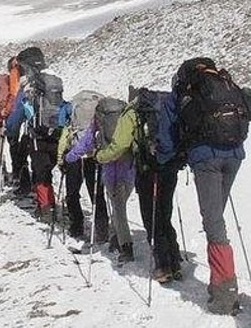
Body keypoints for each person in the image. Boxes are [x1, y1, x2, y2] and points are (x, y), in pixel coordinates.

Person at [173, 57, 250, 316]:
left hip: (207, 157)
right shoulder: (226, 82)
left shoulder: (191, 89)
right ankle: (222, 284)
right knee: (216, 218)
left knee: (213, 222)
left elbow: (184, 126)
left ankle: (225, 290)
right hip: (235, 154)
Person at [64, 101, 135, 263]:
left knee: (118, 210)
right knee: (119, 206)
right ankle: (117, 238)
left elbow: (86, 142)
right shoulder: (125, 117)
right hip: (129, 168)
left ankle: (126, 246)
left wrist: (70, 157)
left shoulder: (99, 120)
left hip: (111, 170)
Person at [130, 87, 184, 283]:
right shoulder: (169, 108)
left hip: (147, 170)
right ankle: (175, 261)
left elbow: (122, 143)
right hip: (169, 167)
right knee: (165, 214)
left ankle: (162, 266)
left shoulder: (136, 113)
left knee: (152, 217)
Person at [57, 96, 99, 241]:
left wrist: (61, 158)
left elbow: (65, 135)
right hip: (93, 156)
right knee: (96, 194)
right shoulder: (95, 118)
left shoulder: (71, 111)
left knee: (72, 193)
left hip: (74, 156)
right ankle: (102, 228)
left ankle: (76, 226)